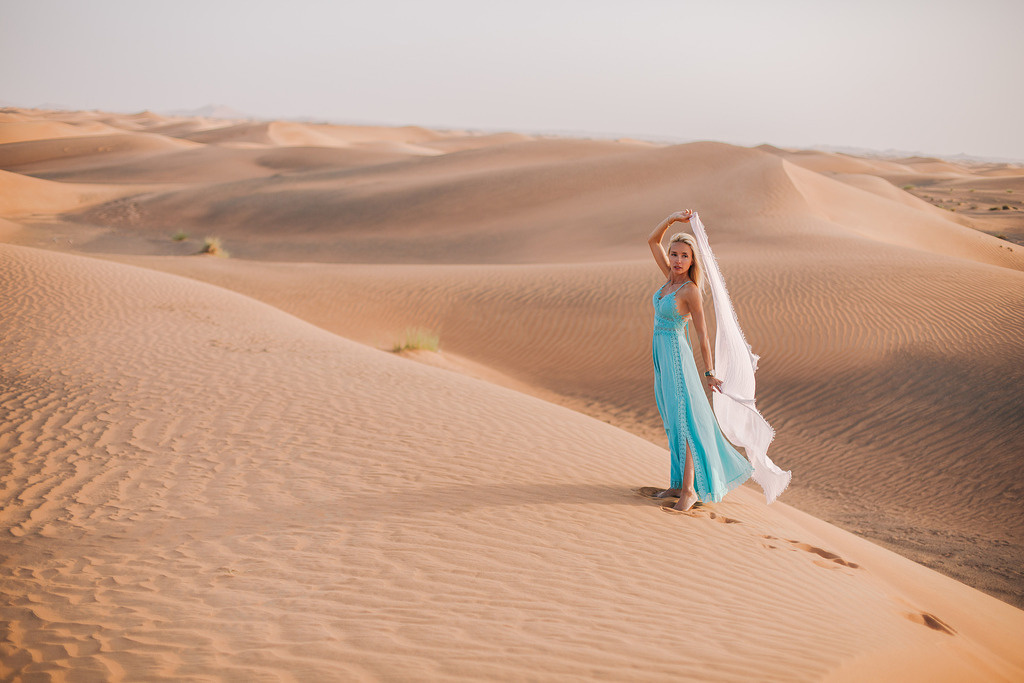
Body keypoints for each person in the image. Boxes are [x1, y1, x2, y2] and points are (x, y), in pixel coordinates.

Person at [646, 210, 754, 512]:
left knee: (686, 422)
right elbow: (652, 240)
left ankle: (689, 490)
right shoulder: (668, 280)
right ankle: (676, 483)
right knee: (672, 421)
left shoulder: (690, 291)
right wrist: (672, 219)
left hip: (677, 359)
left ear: (693, 261)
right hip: (661, 357)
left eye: (685, 256)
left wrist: (709, 371)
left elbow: (703, 335)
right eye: (674, 254)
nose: (678, 260)